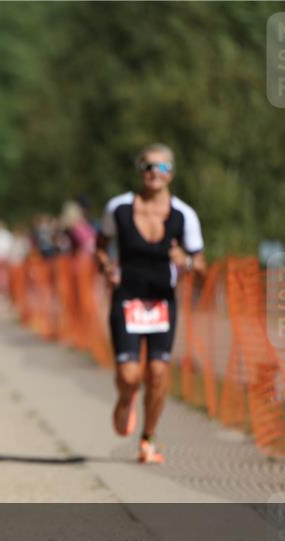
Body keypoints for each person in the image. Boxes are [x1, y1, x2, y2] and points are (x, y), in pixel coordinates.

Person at [96, 143, 206, 464]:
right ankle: (125, 396)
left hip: (162, 301)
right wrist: (106, 266)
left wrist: (183, 260)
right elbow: (100, 245)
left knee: (158, 372)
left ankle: (148, 438)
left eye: (160, 168)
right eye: (147, 167)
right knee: (130, 375)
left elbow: (200, 265)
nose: (153, 174)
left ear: (170, 173)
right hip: (127, 298)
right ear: (139, 171)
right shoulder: (118, 208)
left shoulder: (184, 215)